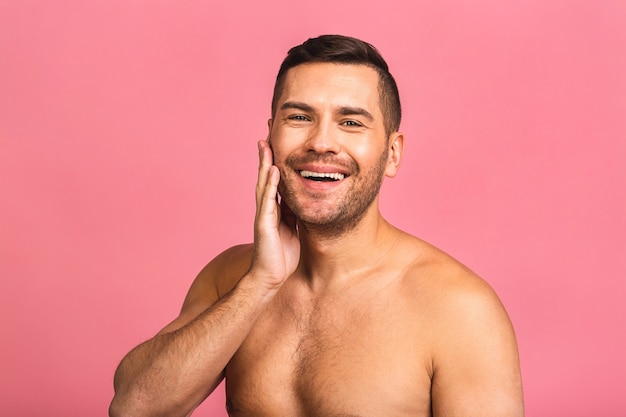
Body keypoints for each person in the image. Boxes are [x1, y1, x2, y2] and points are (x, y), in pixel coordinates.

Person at [109, 34, 524, 417]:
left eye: (351, 122)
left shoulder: (460, 310)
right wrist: (260, 284)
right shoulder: (232, 279)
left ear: (392, 153)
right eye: (300, 117)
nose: (321, 142)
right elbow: (133, 407)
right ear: (271, 138)